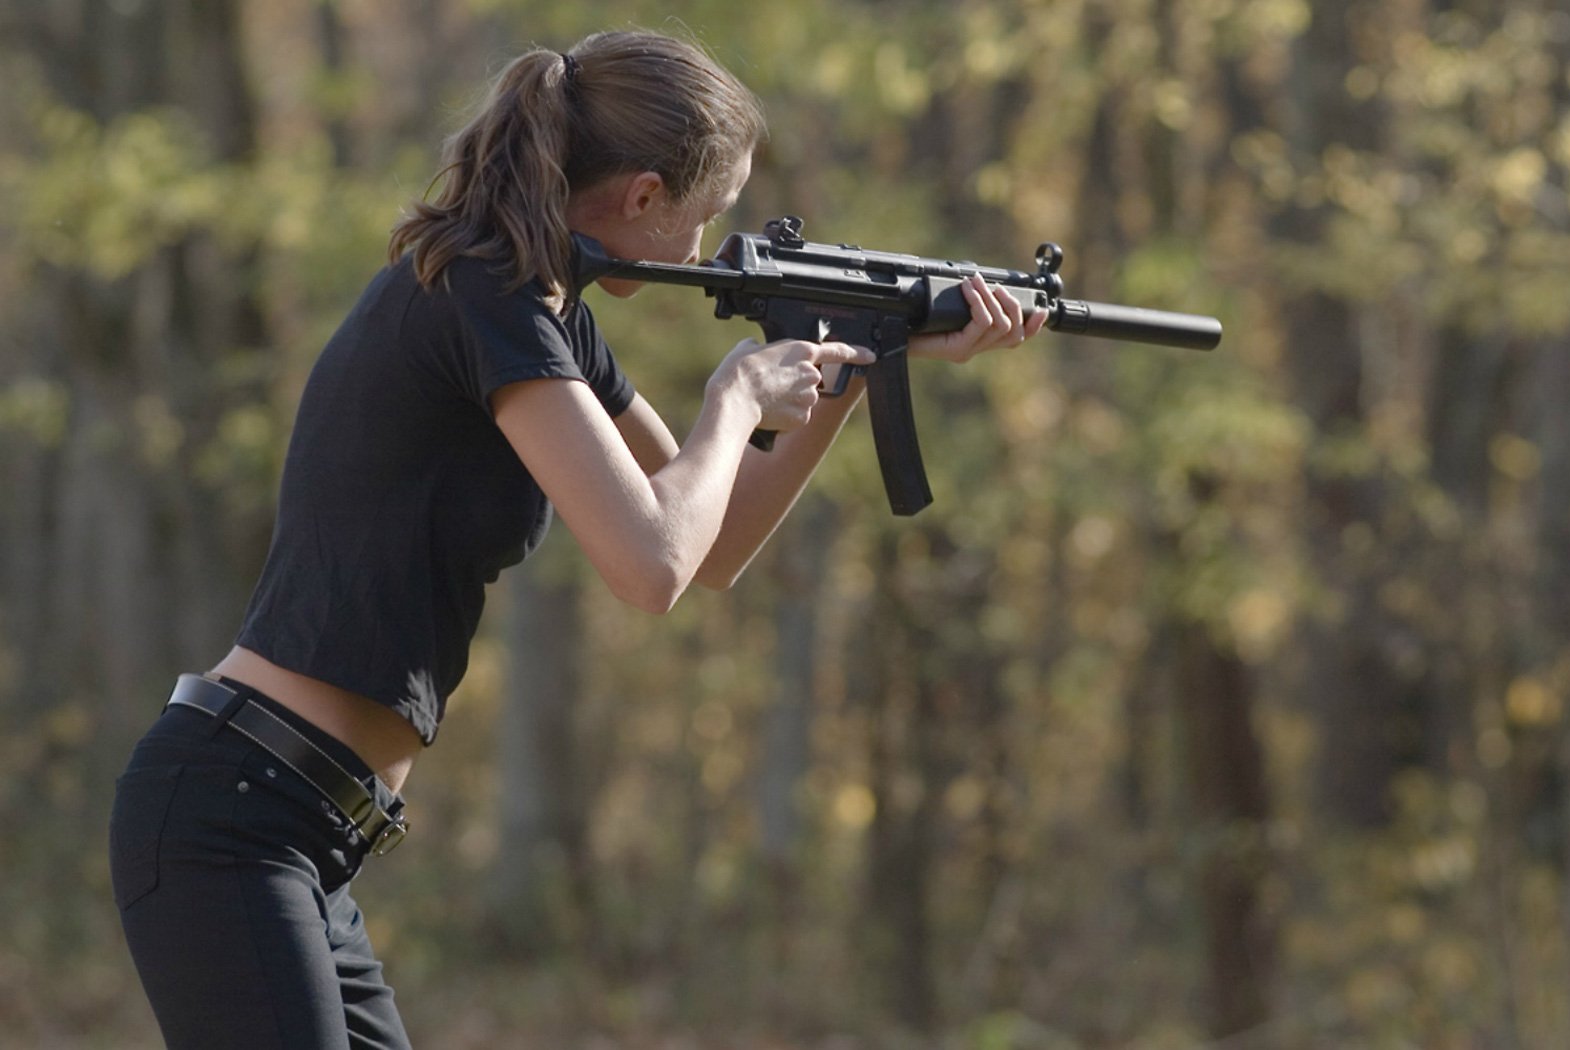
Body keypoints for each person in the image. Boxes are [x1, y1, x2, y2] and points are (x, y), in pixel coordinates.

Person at [107, 28, 1045, 1050]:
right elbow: (649, 566)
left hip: (302, 828)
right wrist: (735, 394)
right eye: (705, 219)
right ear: (643, 197)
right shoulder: (486, 293)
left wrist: (859, 355)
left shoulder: (546, 314)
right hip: (236, 816)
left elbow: (714, 544)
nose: (702, 252)